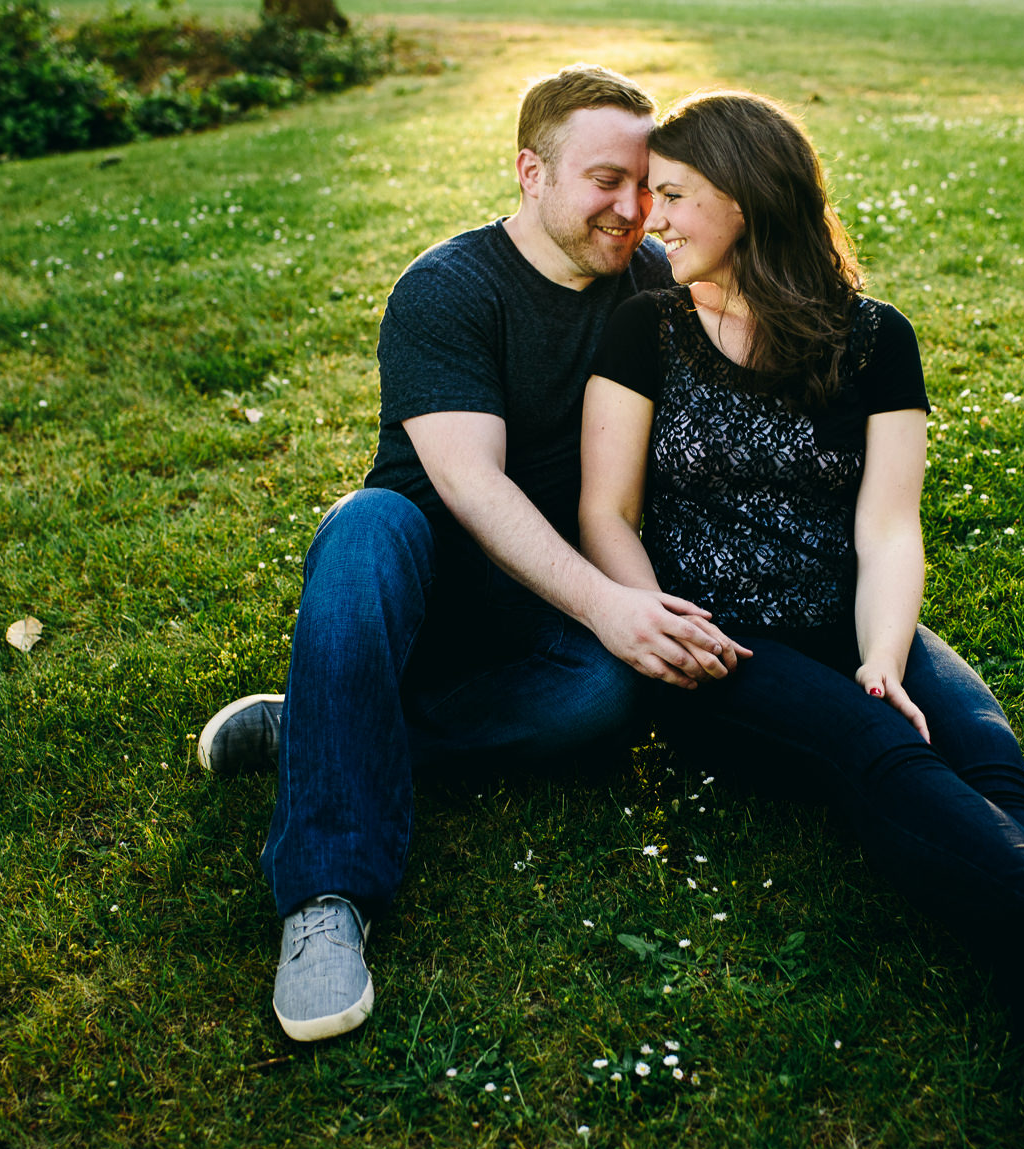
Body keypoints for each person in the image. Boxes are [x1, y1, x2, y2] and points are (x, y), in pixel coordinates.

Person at [577, 90, 1024, 1102]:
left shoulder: (875, 339)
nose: (654, 217)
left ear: (747, 197)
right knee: (877, 748)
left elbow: (887, 525)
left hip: (847, 610)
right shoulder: (644, 328)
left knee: (980, 742)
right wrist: (651, 616)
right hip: (716, 645)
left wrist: (880, 648)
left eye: (679, 194)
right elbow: (606, 511)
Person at [196, 65, 751, 1043]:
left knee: (607, 696)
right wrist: (610, 607)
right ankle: (325, 894)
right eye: (603, 181)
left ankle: (321, 728)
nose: (630, 210)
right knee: (363, 523)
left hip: (539, 597)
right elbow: (474, 488)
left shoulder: (649, 279)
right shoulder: (446, 289)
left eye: (642, 182)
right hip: (426, 576)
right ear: (530, 172)